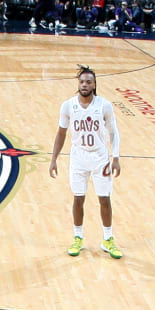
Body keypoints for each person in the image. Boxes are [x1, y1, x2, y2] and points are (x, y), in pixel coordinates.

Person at [47, 66, 123, 259]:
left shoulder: (104, 105)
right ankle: (78, 237)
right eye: (82, 82)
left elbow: (113, 133)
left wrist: (116, 157)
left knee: (104, 198)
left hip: (100, 157)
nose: (85, 85)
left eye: (88, 81)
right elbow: (61, 133)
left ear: (94, 84)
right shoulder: (67, 106)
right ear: (78, 84)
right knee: (78, 198)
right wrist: (54, 158)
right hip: (78, 157)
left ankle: (108, 239)